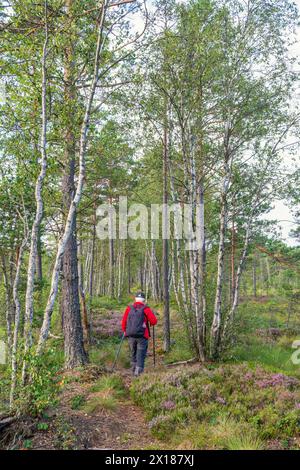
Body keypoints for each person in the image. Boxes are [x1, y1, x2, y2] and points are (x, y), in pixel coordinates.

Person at [121, 292, 157, 376]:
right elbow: (154, 321)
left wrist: (126, 331)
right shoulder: (146, 309)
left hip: (131, 335)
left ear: (135, 299)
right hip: (142, 336)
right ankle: (138, 375)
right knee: (140, 354)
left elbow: (123, 322)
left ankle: (133, 370)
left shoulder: (129, 308)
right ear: (144, 300)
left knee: (133, 353)